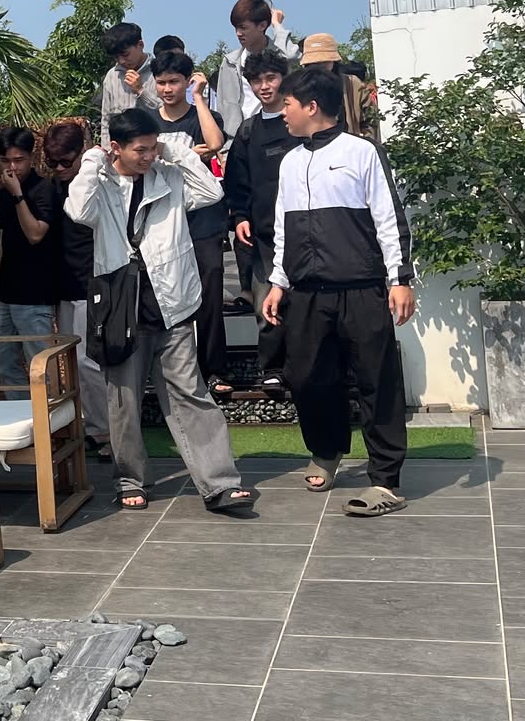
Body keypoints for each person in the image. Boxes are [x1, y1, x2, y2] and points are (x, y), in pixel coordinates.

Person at [66, 106, 255, 515]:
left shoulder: (168, 175)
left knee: (191, 393)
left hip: (173, 303)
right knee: (124, 401)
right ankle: (130, 479)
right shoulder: (101, 183)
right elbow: (78, 211)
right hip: (122, 309)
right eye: (141, 149)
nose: (149, 156)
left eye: (153, 147)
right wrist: (91, 160)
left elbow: (212, 193)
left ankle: (220, 483)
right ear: (116, 147)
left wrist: (176, 151)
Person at [263, 66, 415, 515]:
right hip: (306, 293)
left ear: (311, 107)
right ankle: (327, 451)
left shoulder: (362, 151)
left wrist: (399, 279)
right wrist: (278, 281)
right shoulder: (290, 161)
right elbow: (283, 228)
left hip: (361, 288)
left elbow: (388, 217)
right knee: (309, 378)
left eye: (288, 104)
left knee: (376, 381)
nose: (283, 112)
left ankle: (385, 479)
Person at [149, 49, 230, 393]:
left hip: (204, 221)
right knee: (167, 294)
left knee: (210, 293)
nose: (167, 89)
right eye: (161, 82)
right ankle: (171, 371)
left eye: (174, 82)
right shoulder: (147, 120)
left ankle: (214, 369)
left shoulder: (203, 115)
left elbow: (215, 142)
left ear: (187, 81)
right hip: (163, 221)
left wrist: (199, 98)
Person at [223, 47, 299, 394]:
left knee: (306, 303)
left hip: (304, 229)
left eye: (271, 78)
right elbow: (236, 180)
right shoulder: (248, 131)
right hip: (262, 233)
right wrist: (240, 216)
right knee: (265, 301)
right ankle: (273, 368)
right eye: (257, 80)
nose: (264, 86)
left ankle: (308, 365)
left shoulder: (299, 124)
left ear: (283, 78)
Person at [43, 119, 109, 458]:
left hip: (90, 282)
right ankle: (87, 425)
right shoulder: (52, 187)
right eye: (51, 162)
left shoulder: (95, 181)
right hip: (62, 283)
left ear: (81, 153)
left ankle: (106, 431)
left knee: (88, 361)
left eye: (64, 161)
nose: (58, 168)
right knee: (69, 362)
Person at [0, 128, 60, 397]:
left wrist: (17, 195)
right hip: (7, 293)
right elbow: (4, 239)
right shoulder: (3, 192)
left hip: (35, 295)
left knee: (40, 366)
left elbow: (35, 234)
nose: (12, 167)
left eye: (19, 160)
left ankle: (49, 418)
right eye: (5, 161)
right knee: (3, 363)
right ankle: (22, 415)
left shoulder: (44, 189)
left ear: (31, 157)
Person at [214, 0, 300, 126]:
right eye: (236, 28)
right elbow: (223, 105)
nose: (238, 33)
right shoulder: (230, 62)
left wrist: (277, 25)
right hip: (240, 134)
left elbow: (292, 55)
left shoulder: (279, 56)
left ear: (262, 25)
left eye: (243, 27)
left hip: (280, 128)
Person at [98, 21, 161, 141]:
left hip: (153, 146)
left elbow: (167, 113)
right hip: (121, 147)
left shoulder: (159, 72)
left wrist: (141, 91)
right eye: (116, 57)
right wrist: (107, 148)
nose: (121, 61)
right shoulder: (112, 76)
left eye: (125, 54)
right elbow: (106, 119)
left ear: (140, 45)